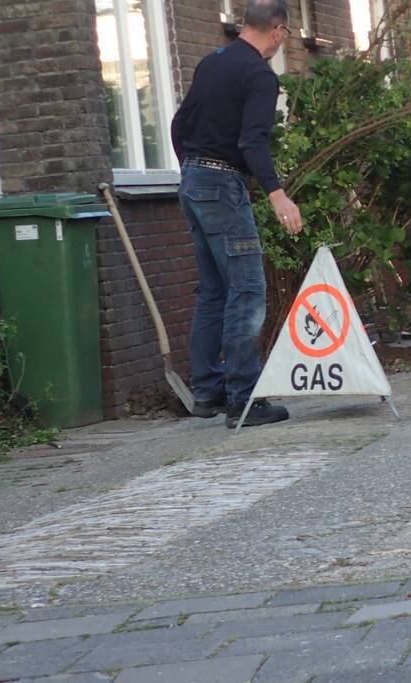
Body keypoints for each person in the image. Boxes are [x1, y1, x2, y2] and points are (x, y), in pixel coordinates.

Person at [170, 0, 302, 428]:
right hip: (222, 185)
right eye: (285, 35)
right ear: (278, 31)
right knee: (246, 291)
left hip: (193, 182)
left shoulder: (212, 62)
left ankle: (207, 392)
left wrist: (192, 169)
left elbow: (178, 124)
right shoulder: (259, 75)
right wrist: (278, 195)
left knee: (213, 291)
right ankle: (244, 399)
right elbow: (252, 142)